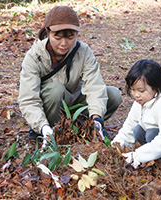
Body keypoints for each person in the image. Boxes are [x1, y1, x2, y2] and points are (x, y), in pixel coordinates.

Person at [18, 6, 122, 140]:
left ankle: (83, 127)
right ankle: (53, 131)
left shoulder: (83, 51)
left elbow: (94, 86)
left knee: (113, 94)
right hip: (50, 106)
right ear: (48, 32)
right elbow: (28, 99)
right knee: (56, 89)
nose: (64, 44)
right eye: (57, 37)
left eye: (70, 37)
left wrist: (96, 118)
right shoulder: (34, 56)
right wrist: (42, 126)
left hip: (73, 99)